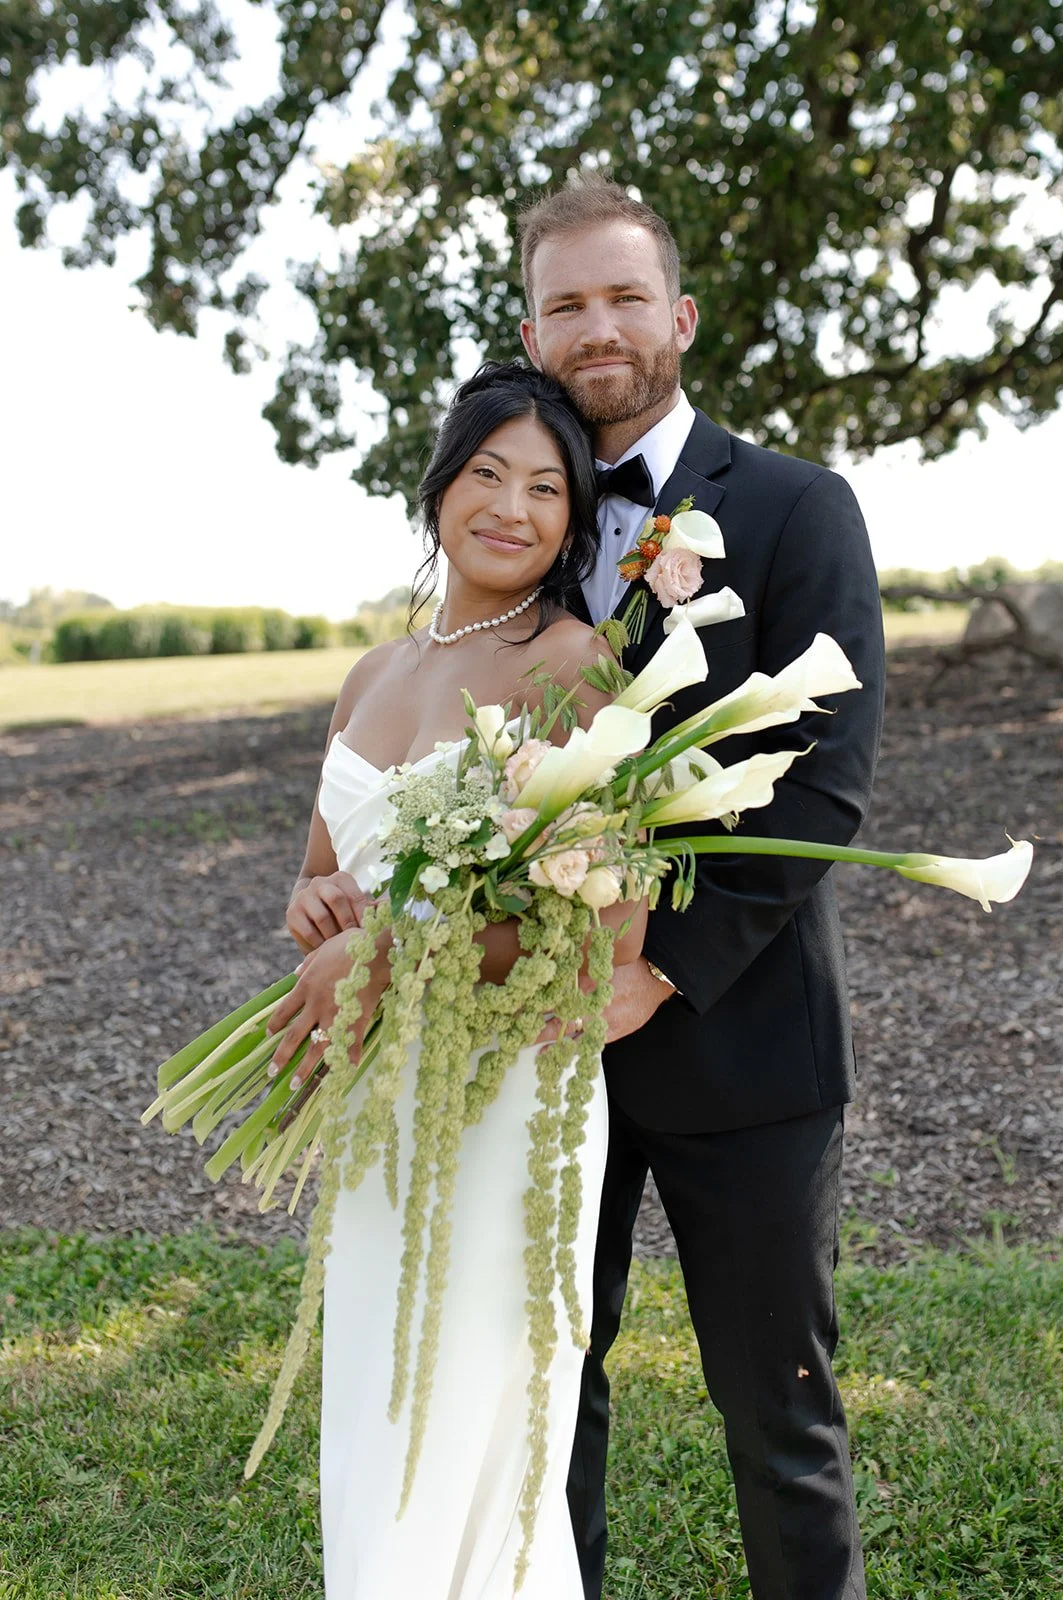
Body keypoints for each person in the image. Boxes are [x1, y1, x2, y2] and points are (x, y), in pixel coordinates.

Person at [517, 176, 885, 1600]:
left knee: (776, 1413)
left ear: (675, 316)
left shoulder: (796, 506)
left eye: (620, 297)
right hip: (546, 1051)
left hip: (745, 1045)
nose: (594, 328)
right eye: (565, 304)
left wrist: (655, 970)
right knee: (552, 1395)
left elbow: (823, 780)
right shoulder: (516, 515)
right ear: (533, 331)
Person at [264, 360, 645, 1598]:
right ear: (439, 486)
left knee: (472, 1413)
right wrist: (315, 911)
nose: (513, 508)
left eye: (547, 488)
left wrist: (375, 952)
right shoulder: (369, 675)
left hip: (506, 1098)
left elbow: (608, 936)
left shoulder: (575, 668)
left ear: (571, 522)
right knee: (379, 1408)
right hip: (384, 1093)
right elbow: (328, 874)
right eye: (488, 473)